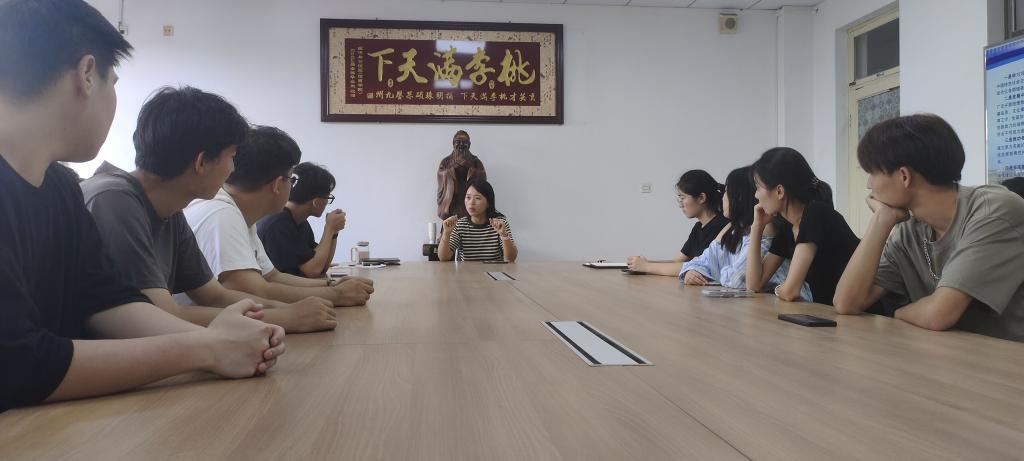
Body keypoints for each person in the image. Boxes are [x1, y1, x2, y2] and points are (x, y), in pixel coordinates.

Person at [0, 0, 283, 412]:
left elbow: (106, 301)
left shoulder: (60, 186)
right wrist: (203, 350)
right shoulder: (103, 196)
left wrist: (217, 341)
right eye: (113, 81)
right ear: (86, 74)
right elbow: (17, 364)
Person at [82, 87, 337, 333]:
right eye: (231, 156)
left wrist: (291, 310)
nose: (233, 169)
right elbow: (161, 316)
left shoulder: (171, 211)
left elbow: (215, 295)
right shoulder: (113, 200)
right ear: (202, 162)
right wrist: (285, 317)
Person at [834, 114, 1024, 341]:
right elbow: (846, 302)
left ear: (904, 176)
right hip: (950, 354)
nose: (868, 184)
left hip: (1008, 358)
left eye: (872, 173)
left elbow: (938, 315)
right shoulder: (909, 231)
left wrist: (898, 313)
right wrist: (880, 221)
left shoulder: (993, 211)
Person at [184, 126, 374, 306]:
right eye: (291, 179)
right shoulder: (222, 215)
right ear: (277, 185)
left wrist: (331, 285)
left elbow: (273, 277)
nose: (292, 187)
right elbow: (255, 291)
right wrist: (336, 295)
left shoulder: (241, 216)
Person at [745, 148, 860, 306]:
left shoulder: (815, 214)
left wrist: (779, 289)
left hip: (863, 315)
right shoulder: (788, 226)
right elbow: (754, 285)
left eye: (758, 187)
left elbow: (790, 291)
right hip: (830, 314)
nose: (756, 195)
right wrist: (757, 227)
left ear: (779, 191)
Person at [680, 167, 812, 300]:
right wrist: (691, 271)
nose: (723, 196)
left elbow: (739, 281)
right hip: (764, 302)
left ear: (740, 196)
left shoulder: (766, 227)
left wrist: (716, 273)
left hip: (789, 304)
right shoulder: (732, 228)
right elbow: (702, 261)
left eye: (726, 191)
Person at [627, 170, 728, 276]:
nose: (680, 205)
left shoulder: (721, 227)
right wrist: (645, 264)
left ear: (701, 198)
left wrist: (646, 267)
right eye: (679, 198)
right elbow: (676, 261)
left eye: (682, 198)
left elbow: (696, 267)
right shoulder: (698, 227)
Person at [257, 162, 344, 278]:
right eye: (328, 197)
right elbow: (313, 271)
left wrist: (333, 232)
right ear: (316, 202)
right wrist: (329, 229)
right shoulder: (278, 223)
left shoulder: (300, 222)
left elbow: (322, 266)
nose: (327, 202)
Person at [438, 180, 518, 262]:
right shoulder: (460, 224)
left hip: (494, 270)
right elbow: (443, 257)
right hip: (467, 270)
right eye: (468, 197)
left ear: (488, 203)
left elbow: (511, 258)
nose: (471, 202)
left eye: (477, 198)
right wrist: (446, 233)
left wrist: (503, 235)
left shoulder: (499, 223)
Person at [437, 130, 486, 220]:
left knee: (469, 220)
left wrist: (469, 168)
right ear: (453, 144)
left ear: (469, 145)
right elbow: (441, 174)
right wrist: (453, 169)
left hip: (470, 199)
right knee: (451, 222)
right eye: (458, 142)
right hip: (452, 199)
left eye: (464, 142)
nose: (461, 144)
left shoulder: (475, 161)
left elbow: (483, 177)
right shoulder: (446, 161)